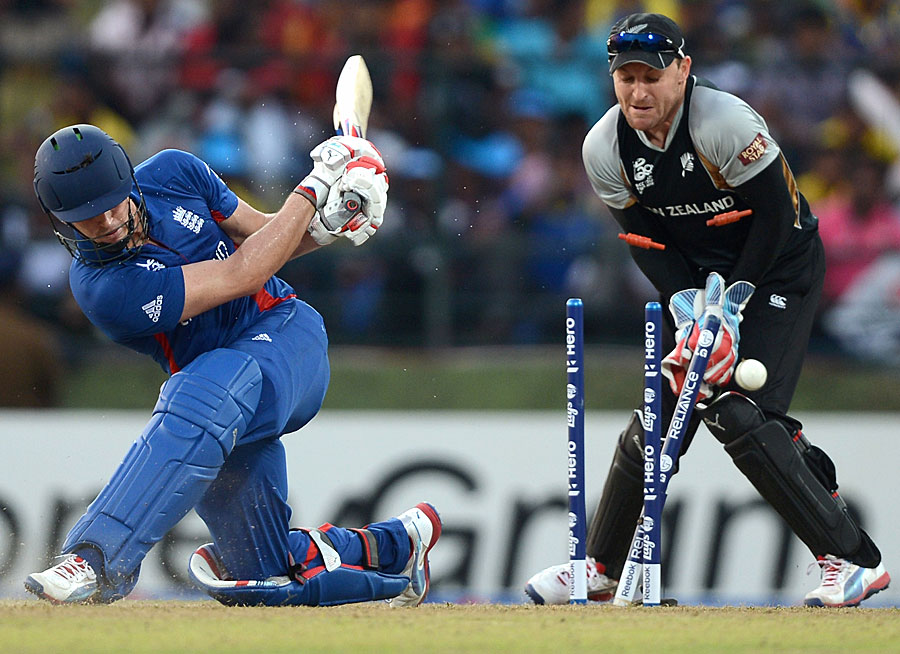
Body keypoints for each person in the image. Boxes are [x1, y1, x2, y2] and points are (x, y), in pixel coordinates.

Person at [524, 13, 890, 608]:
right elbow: (647, 243)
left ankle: (848, 560)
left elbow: (776, 217)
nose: (639, 93)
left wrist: (738, 296)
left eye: (652, 76)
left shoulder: (724, 123)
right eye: (626, 79)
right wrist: (686, 301)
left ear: (683, 70)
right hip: (694, 280)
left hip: (778, 269)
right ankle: (600, 567)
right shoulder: (603, 146)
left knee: (741, 413)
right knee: (664, 409)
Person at [24, 123, 442, 607]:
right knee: (261, 578)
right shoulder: (101, 287)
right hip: (218, 410)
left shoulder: (173, 171)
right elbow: (241, 272)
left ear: (128, 180)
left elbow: (262, 238)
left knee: (205, 387)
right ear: (61, 222)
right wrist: (317, 189)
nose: (108, 221)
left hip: (286, 337)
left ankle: (93, 560)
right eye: (87, 217)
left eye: (113, 201)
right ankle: (398, 547)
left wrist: (329, 219)